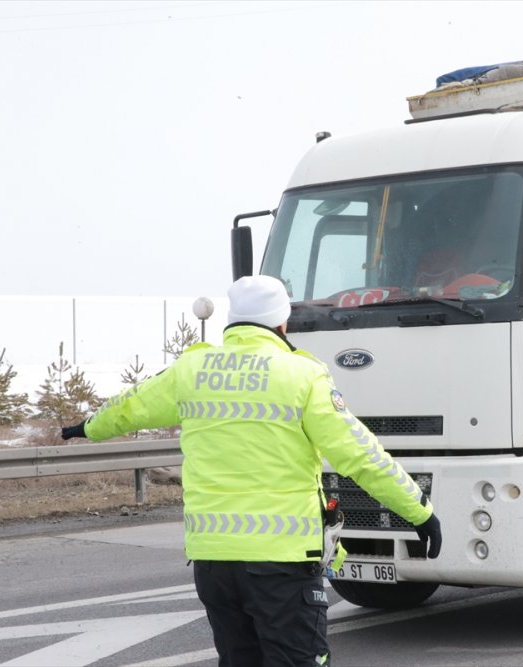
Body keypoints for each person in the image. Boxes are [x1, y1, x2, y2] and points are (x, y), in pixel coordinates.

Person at [61, 275, 442, 667]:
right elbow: (361, 456)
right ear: (281, 322)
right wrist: (418, 510)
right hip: (281, 561)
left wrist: (88, 427)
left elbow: (132, 405)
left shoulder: (193, 369)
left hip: (214, 562)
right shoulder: (301, 375)